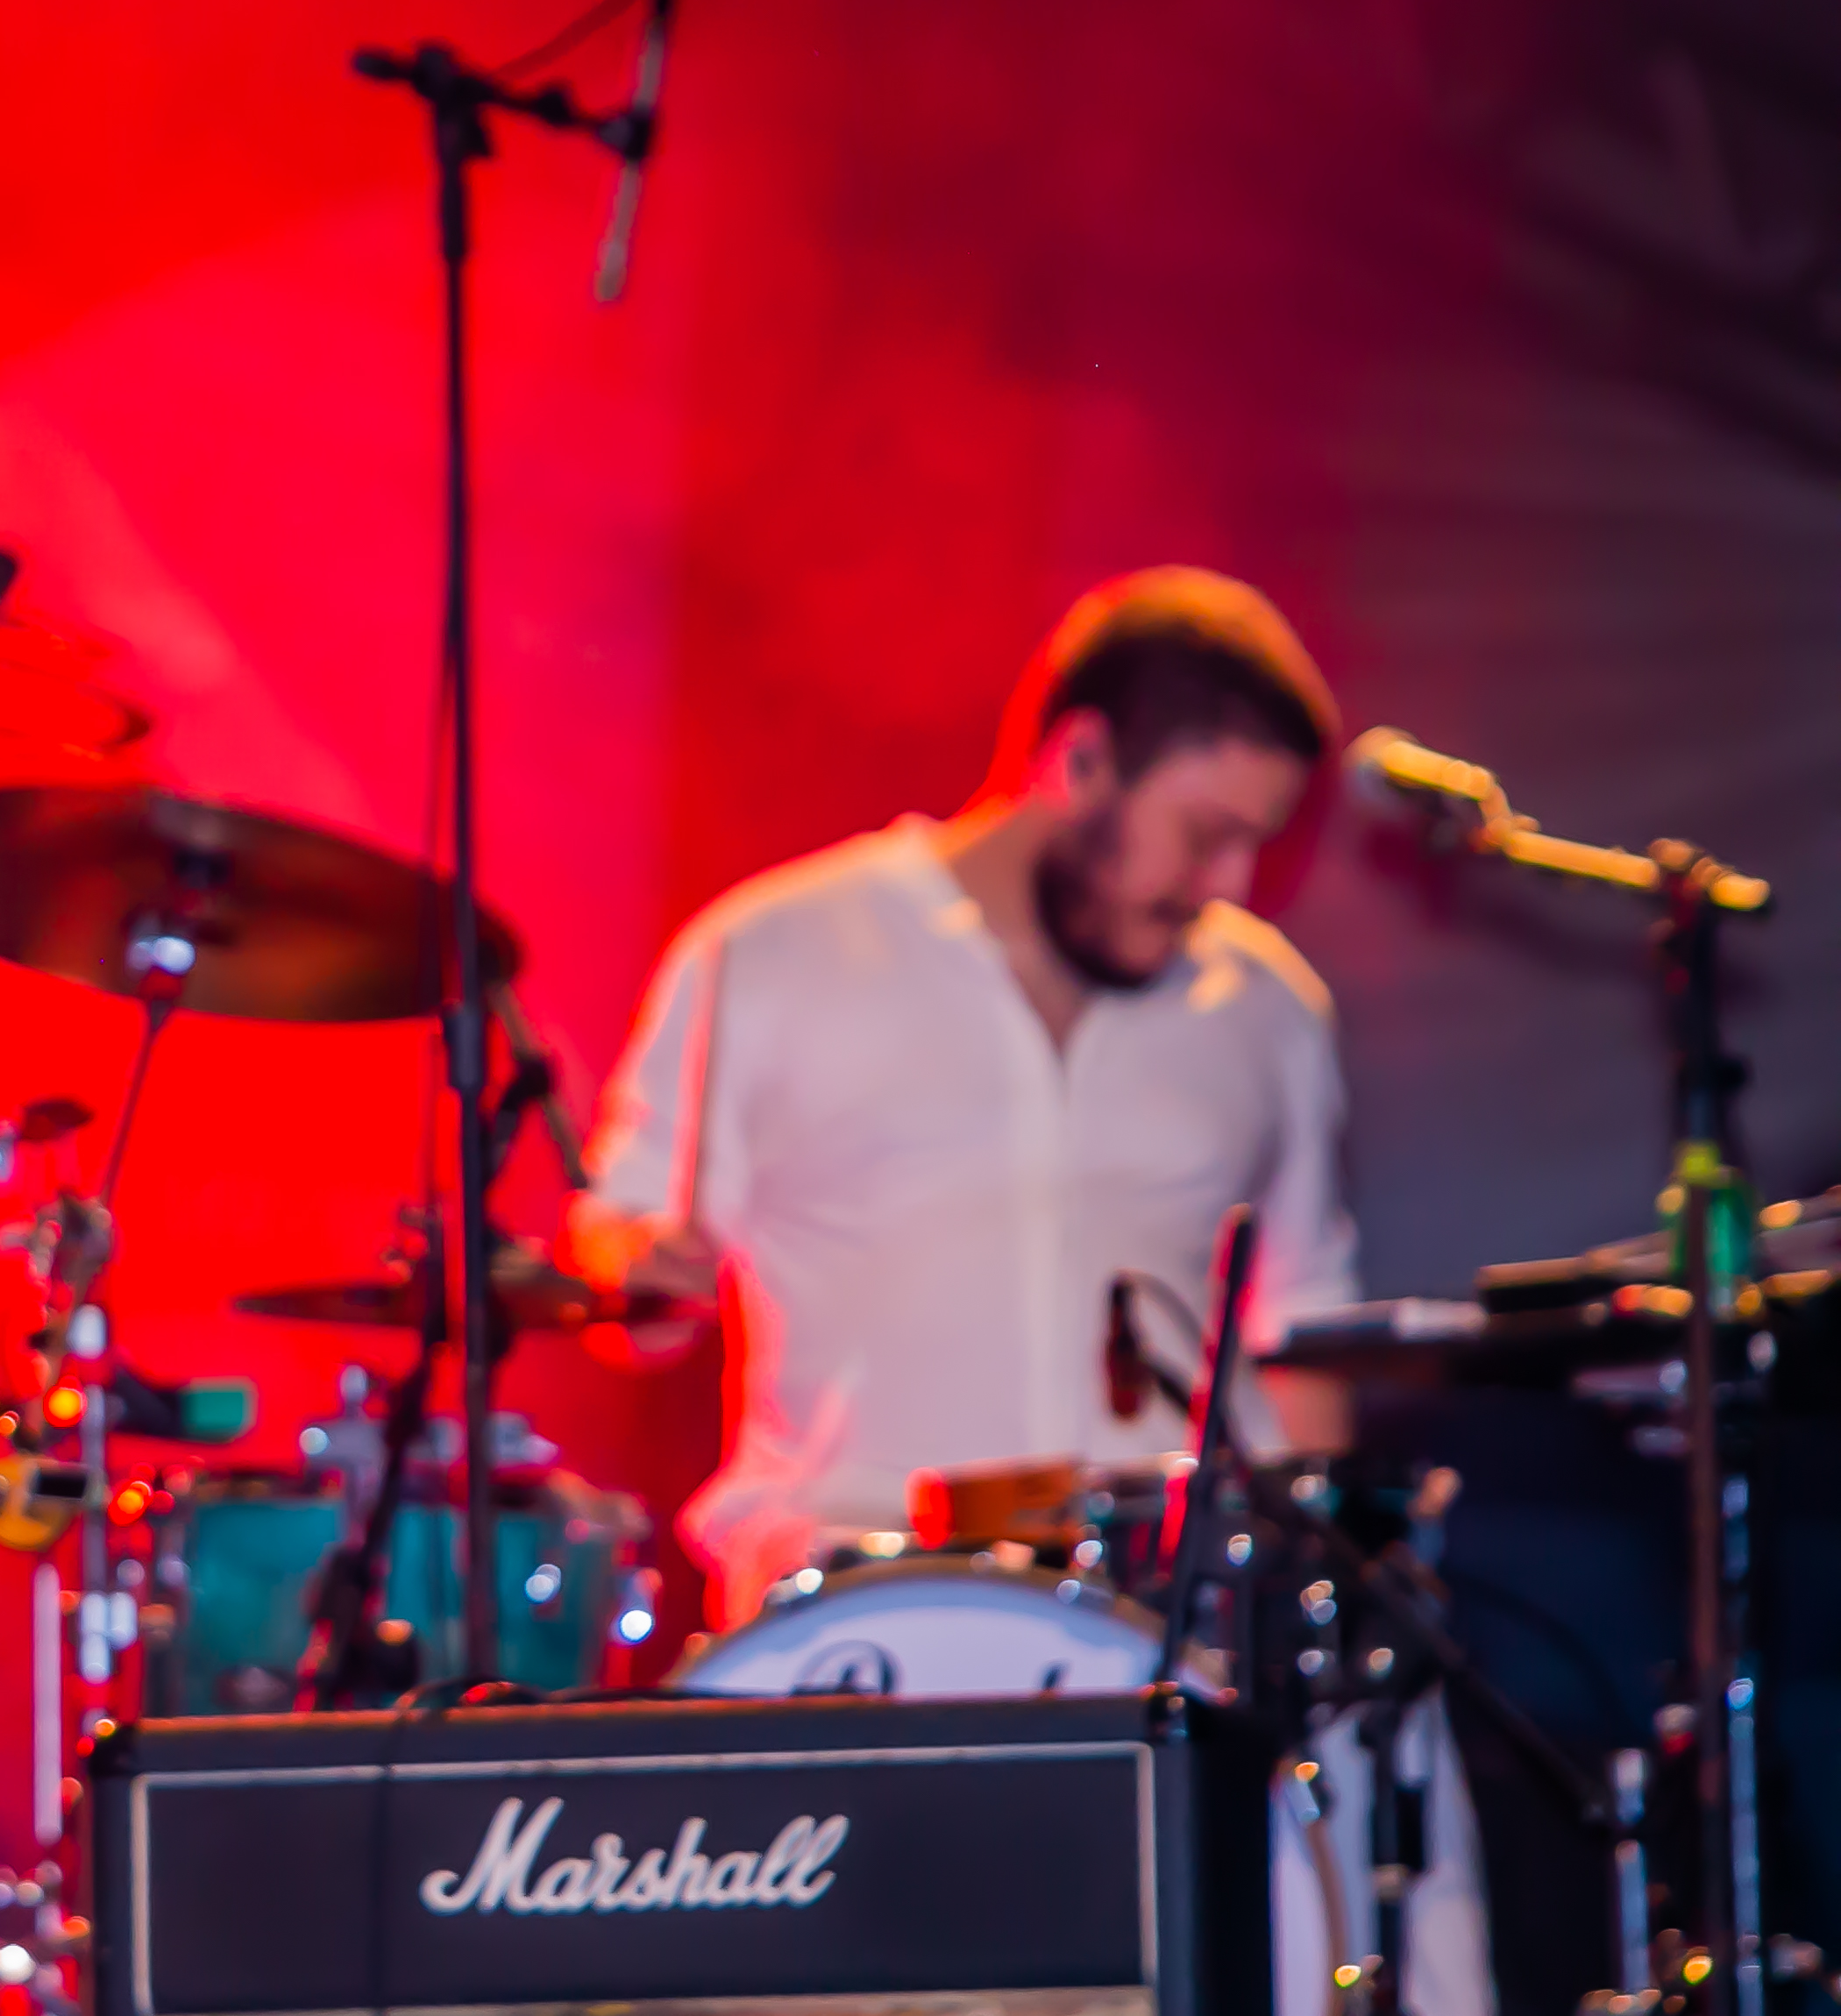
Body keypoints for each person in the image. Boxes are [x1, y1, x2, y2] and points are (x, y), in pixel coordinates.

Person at [564, 566, 1362, 1617]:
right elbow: (620, 1242)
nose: (1229, 886)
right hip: (847, 1620)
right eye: (1208, 833)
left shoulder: (1269, 1006)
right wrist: (638, 1273)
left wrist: (1305, 1591)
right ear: (1078, 762)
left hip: (1168, 1624)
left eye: (1260, 842)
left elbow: (1301, 1333)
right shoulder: (769, 951)